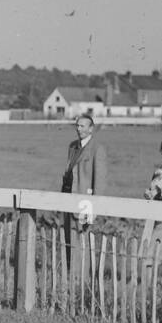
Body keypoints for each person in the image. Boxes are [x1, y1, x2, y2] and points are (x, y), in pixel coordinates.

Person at [61, 113, 108, 264]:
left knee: (82, 242)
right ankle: (70, 274)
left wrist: (92, 209)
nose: (78, 129)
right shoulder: (73, 146)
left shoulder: (97, 149)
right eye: (77, 125)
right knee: (69, 239)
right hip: (69, 199)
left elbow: (99, 182)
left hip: (85, 203)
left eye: (82, 126)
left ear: (91, 129)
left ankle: (82, 279)